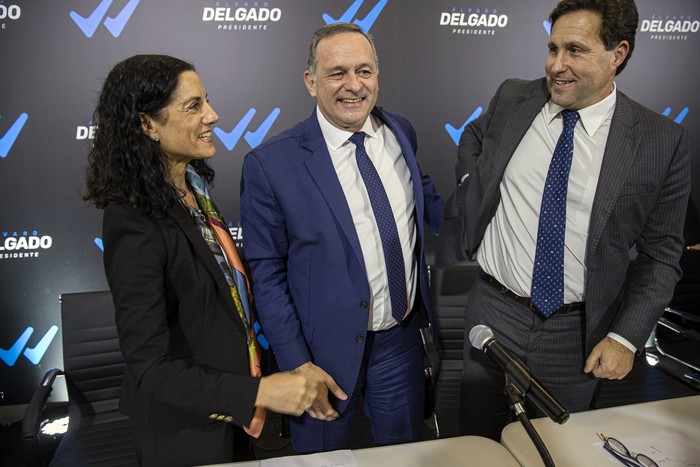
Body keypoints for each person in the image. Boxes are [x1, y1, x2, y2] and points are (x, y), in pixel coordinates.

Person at [444, 0, 690, 440]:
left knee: (559, 449)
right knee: (478, 444)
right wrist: (471, 181)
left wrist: (626, 338)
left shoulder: (660, 141)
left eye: (575, 50)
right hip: (493, 314)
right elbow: (475, 136)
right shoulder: (515, 96)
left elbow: (662, 255)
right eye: (553, 48)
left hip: (577, 335)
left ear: (618, 54)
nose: (557, 65)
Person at [83, 54, 318, 466]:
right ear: (147, 124)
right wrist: (260, 393)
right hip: (183, 432)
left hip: (231, 417)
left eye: (206, 100)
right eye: (193, 106)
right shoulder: (133, 220)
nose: (213, 114)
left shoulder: (194, 193)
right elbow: (150, 368)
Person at [240, 23, 444, 453]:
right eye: (337, 73)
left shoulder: (400, 132)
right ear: (311, 82)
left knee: (404, 458)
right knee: (320, 462)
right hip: (320, 358)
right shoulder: (270, 164)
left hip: (398, 343)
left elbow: (428, 205)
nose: (353, 85)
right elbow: (266, 274)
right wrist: (297, 364)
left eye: (365, 71)